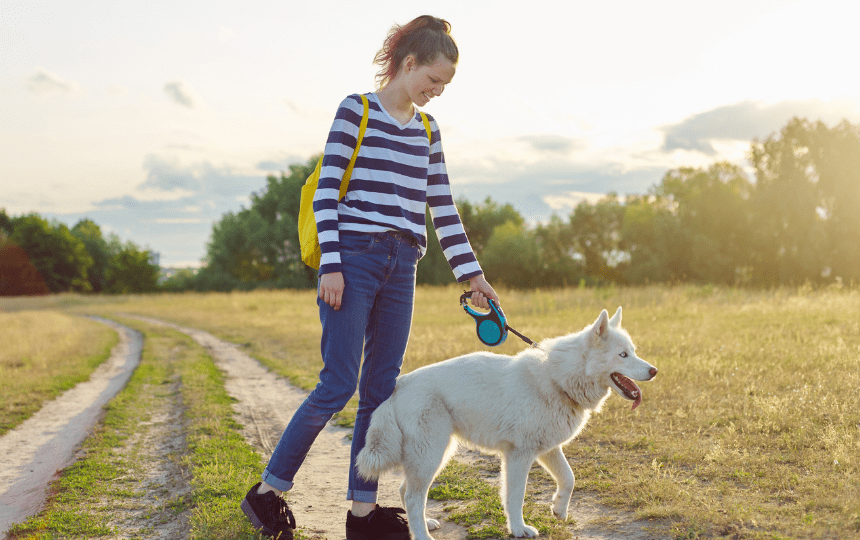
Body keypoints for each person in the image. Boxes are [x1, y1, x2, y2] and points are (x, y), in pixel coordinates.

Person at [241, 14, 500, 540]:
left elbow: (442, 208)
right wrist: (331, 265)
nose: (436, 92)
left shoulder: (428, 131)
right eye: (433, 80)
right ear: (409, 64)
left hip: (403, 263)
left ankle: (362, 514)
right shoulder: (355, 110)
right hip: (353, 258)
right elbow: (326, 192)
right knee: (338, 383)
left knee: (380, 391)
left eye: (444, 86)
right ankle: (267, 494)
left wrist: (471, 275)